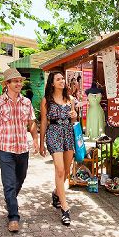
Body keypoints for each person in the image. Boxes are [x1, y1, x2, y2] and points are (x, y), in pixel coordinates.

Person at [0, 68, 38, 233]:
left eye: (20, 81)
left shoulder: (26, 102)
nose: (19, 84)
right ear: (7, 84)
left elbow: (32, 123)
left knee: (19, 180)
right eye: (15, 81)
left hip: (23, 148)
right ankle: (13, 217)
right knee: (8, 184)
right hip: (5, 149)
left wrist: (35, 139)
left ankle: (10, 200)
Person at [40, 72, 77, 225]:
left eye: (63, 79)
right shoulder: (46, 100)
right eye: (58, 79)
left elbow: (73, 119)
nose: (62, 81)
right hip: (54, 133)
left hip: (68, 133)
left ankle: (56, 193)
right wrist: (41, 143)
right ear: (52, 83)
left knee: (66, 171)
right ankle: (65, 208)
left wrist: (74, 115)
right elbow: (43, 122)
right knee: (60, 169)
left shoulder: (71, 99)